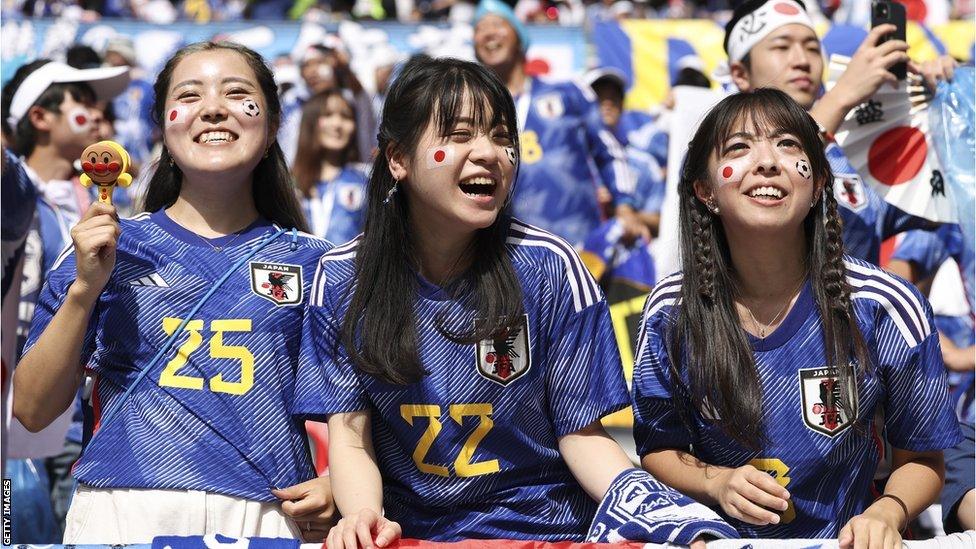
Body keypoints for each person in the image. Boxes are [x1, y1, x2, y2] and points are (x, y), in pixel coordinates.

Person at [297, 55, 639, 547]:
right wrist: (364, 516)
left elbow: (583, 438)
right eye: (460, 135)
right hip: (414, 537)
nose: (490, 153)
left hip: (549, 532)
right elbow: (350, 435)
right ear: (397, 158)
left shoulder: (551, 268)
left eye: (502, 137)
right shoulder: (341, 279)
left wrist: (660, 513)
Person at [12, 41, 335, 544]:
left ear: (272, 127)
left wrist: (341, 486)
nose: (212, 108)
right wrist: (84, 290)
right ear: (163, 126)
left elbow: (370, 411)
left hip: (267, 517)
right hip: (123, 512)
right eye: (190, 95)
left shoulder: (320, 265)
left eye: (236, 93)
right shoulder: (104, 247)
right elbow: (31, 410)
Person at [631, 89, 962, 547]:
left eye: (788, 145)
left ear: (819, 184)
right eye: (739, 147)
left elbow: (924, 460)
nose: (767, 162)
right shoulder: (671, 311)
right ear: (705, 191)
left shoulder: (886, 305)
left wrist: (887, 512)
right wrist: (715, 482)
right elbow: (657, 449)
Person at [723, 0, 954, 265]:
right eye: (782, 47)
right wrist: (843, 95)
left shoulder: (853, 154)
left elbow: (946, 207)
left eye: (812, 47)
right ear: (740, 74)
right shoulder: (719, 148)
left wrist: (948, 110)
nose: (802, 61)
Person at [472, 0, 646, 246]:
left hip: (580, 246)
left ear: (520, 37)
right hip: (509, 254)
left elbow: (610, 152)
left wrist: (625, 206)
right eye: (479, 28)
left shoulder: (569, 93)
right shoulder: (475, 112)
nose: (488, 32)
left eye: (497, 24)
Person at [292, 90, 367, 244]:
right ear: (310, 121)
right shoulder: (288, 183)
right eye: (328, 115)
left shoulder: (365, 179)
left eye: (346, 117)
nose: (337, 124)